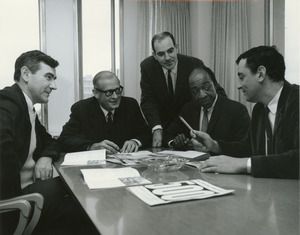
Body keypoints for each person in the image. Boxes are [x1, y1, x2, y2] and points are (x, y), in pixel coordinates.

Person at [0, 50, 88, 234]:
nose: (53, 86)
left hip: (25, 195)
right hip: (12, 205)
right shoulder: (6, 104)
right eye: (48, 77)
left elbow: (52, 142)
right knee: (81, 200)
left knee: (77, 190)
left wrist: (45, 157)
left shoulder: (27, 108)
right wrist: (18, 203)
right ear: (25, 74)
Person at [190, 46, 299, 179]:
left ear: (260, 74)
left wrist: (242, 164)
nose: (238, 85)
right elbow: (247, 147)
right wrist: (215, 145)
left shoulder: (296, 101)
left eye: (242, 77)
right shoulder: (259, 109)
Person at [140, 31, 226, 147]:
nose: (167, 58)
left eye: (170, 51)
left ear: (176, 48)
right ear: (154, 55)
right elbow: (148, 100)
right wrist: (156, 128)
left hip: (191, 131)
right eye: (161, 54)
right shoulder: (147, 67)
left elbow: (216, 92)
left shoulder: (194, 64)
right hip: (163, 132)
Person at [58, 71, 151, 154]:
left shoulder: (130, 105)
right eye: (109, 92)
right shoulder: (82, 109)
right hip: (95, 169)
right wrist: (92, 146)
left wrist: (135, 141)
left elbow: (146, 133)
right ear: (96, 93)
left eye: (118, 90)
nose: (115, 96)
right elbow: (64, 140)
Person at [163, 66, 250, 151]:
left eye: (206, 88)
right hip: (193, 163)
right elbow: (168, 134)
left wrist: (216, 146)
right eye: (195, 91)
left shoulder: (237, 111)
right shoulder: (188, 109)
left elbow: (244, 149)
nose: (202, 95)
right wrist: (175, 142)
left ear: (215, 85)